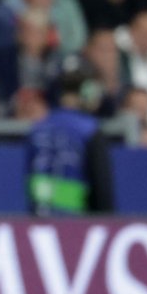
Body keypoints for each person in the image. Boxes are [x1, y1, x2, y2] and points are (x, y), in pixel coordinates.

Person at [25, 63, 114, 215]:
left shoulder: (37, 129)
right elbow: (102, 190)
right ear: (87, 91)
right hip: (79, 225)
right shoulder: (90, 131)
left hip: (39, 221)